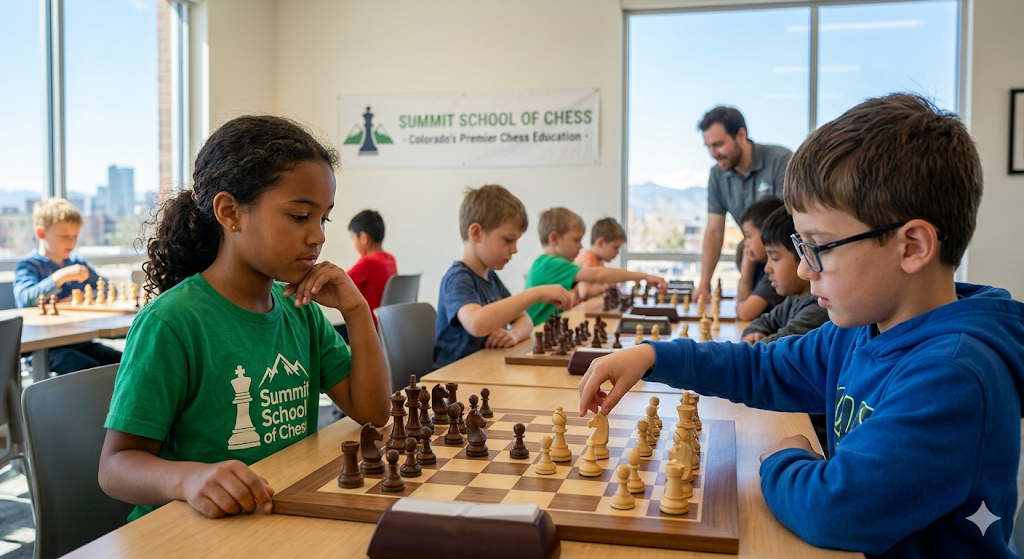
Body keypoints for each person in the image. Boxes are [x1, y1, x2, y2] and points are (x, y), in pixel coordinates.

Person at [579, 94, 1024, 558]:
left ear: (912, 246)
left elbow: (836, 509)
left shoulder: (954, 376)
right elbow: (763, 368)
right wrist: (654, 356)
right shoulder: (860, 331)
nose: (805, 269)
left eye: (820, 246)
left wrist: (782, 459)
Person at [99, 116, 391, 521]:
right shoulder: (173, 322)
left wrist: (357, 311)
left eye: (323, 218)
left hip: (275, 515)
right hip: (187, 532)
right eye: (298, 216)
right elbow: (115, 467)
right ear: (229, 212)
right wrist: (188, 480)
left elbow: (373, 413)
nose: (318, 236)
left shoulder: (298, 309)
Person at [433, 185, 572, 370]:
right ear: (476, 233)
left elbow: (526, 320)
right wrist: (535, 293)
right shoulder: (458, 278)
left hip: (484, 372)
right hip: (455, 381)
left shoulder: (490, 277)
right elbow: (476, 323)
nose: (514, 249)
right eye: (508, 240)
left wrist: (513, 334)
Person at [694, 106, 792, 303]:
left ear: (741, 135)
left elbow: (793, 222)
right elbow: (714, 231)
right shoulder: (717, 175)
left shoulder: (781, 160)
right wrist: (704, 283)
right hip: (753, 257)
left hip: (785, 255)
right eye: (709, 147)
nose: (713, 153)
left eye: (719, 144)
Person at [13, 197, 122, 374]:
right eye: (64, 236)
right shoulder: (29, 266)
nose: (71, 242)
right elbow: (25, 301)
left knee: (123, 363)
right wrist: (59, 277)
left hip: (81, 341)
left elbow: (110, 289)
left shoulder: (77, 263)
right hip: (46, 348)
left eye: (75, 236)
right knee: (90, 371)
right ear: (41, 234)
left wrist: (86, 297)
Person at [524, 207, 667, 325]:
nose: (581, 246)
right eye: (576, 240)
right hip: (535, 333)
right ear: (554, 238)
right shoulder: (550, 263)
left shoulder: (551, 262)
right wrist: (645, 276)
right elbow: (598, 274)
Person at [740, 206, 828, 343]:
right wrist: (754, 333)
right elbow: (763, 321)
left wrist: (755, 343)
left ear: (804, 256)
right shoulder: (794, 300)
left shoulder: (818, 306)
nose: (767, 268)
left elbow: (779, 348)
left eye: (775, 258)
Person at [736, 197, 786, 320]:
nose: (746, 244)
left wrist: (746, 268)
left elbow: (744, 313)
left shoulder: (779, 272)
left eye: (748, 236)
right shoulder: (763, 267)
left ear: (766, 232)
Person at [346, 209, 397, 325]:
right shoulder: (390, 259)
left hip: (370, 326)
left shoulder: (369, 262)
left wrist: (345, 271)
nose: (353, 243)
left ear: (364, 238)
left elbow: (343, 281)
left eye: (353, 238)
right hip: (390, 325)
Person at [574, 217, 627, 300]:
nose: (617, 253)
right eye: (615, 248)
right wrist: (607, 286)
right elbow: (584, 292)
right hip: (576, 311)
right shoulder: (588, 261)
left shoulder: (597, 262)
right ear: (601, 243)